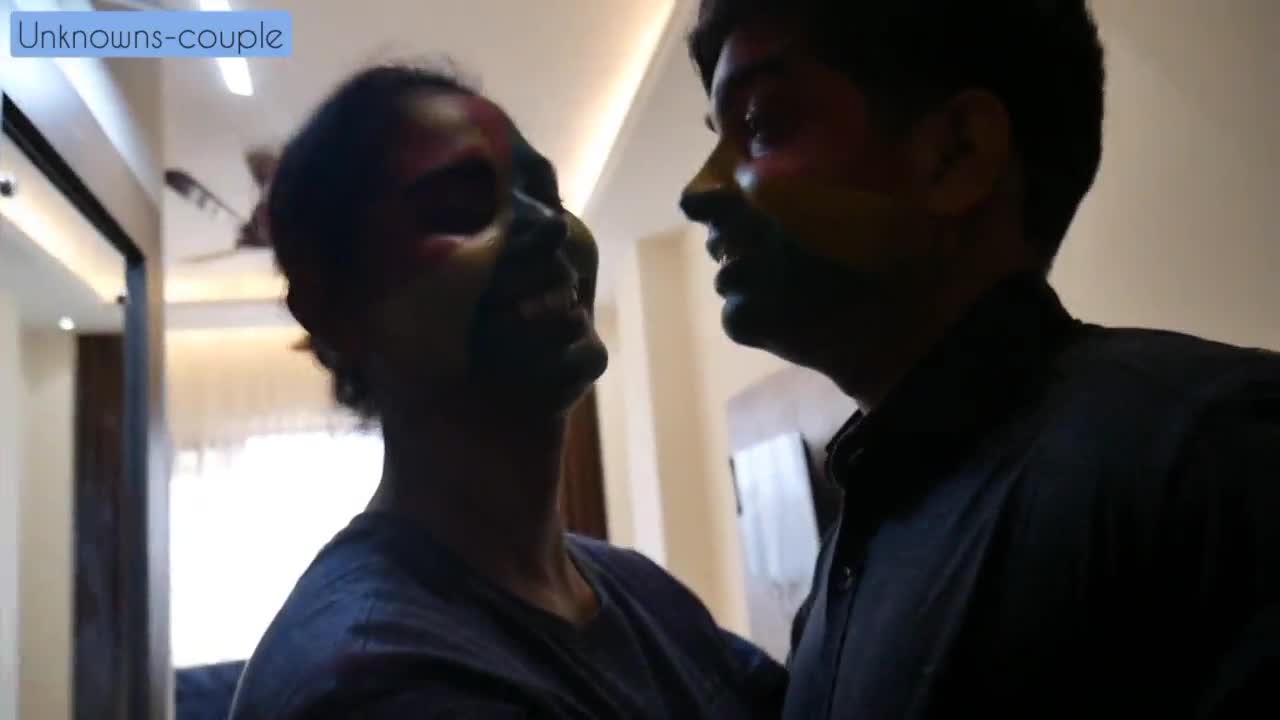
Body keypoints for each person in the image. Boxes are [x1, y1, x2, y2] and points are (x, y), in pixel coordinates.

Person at [678, 0, 1280, 717]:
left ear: (956, 152)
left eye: (762, 124)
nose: (697, 193)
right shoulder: (844, 565)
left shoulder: (1218, 457)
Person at [228, 64, 785, 720]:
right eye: (458, 207)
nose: (546, 225)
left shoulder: (638, 590)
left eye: (546, 193)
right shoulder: (370, 676)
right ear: (334, 308)